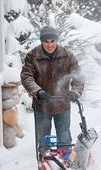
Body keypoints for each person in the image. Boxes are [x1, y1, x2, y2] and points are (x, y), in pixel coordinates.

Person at [21, 26, 85, 157]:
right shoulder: (33, 56)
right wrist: (38, 91)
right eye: (46, 41)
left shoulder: (67, 56)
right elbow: (27, 77)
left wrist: (75, 92)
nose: (50, 45)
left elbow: (78, 77)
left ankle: (67, 164)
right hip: (42, 105)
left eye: (52, 41)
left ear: (57, 40)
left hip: (62, 104)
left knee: (65, 139)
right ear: (41, 41)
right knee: (44, 141)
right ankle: (45, 164)